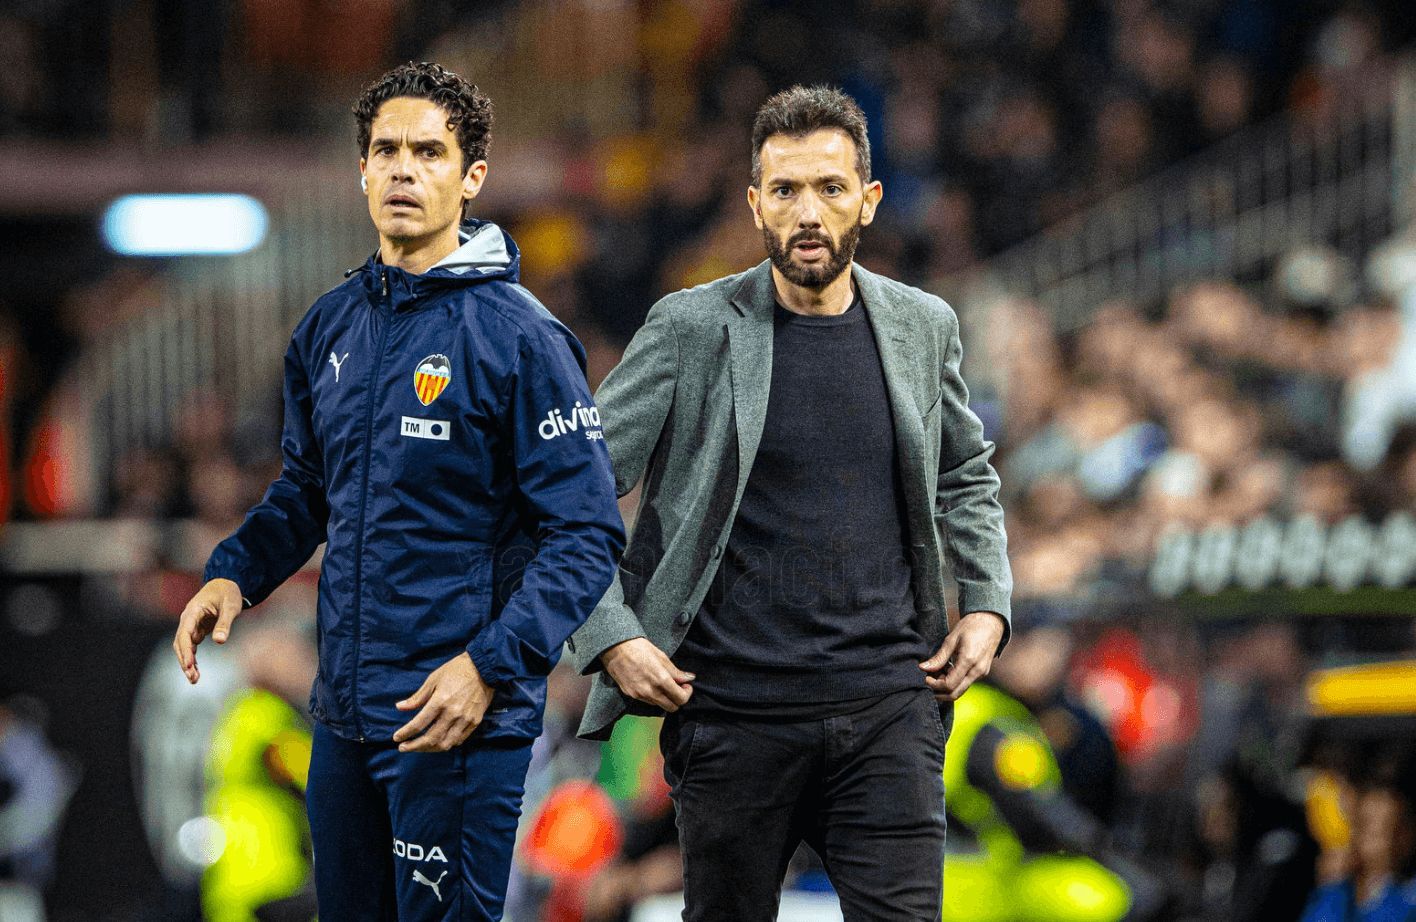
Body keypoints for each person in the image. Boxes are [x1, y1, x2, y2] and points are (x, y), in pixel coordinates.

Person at [172, 61, 625, 922]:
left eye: (429, 152)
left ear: (472, 176)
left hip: (459, 721)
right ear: (362, 170)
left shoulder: (524, 339)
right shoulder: (327, 327)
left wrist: (489, 668)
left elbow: (587, 534)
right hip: (343, 720)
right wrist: (235, 573)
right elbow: (307, 491)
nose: (404, 170)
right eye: (386, 151)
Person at [567, 85, 1012, 920]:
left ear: (868, 200)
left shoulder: (924, 325)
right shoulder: (689, 329)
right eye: (785, 190)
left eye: (830, 188)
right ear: (754, 204)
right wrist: (610, 635)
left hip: (889, 709)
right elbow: (570, 491)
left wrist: (988, 603)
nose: (808, 212)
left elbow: (964, 473)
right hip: (730, 716)